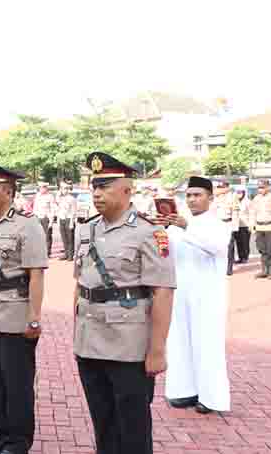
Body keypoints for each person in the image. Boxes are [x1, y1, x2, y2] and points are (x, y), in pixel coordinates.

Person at [73, 152, 175, 454]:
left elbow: (163, 293)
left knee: (132, 426)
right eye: (94, 187)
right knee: (102, 421)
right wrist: (77, 334)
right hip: (90, 341)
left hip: (129, 345)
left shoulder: (149, 232)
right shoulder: (86, 229)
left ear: (128, 190)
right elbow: (80, 285)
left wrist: (157, 351)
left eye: (105, 186)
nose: (97, 193)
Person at [0, 160, 47, 454]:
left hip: (15, 314)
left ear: (7, 191)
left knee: (16, 383)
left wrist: (34, 317)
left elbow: (36, 274)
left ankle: (17, 443)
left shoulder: (27, 225)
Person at [155, 176, 231, 415]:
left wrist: (186, 226)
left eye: (197, 195)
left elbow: (215, 246)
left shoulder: (218, 225)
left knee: (207, 345)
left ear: (210, 197)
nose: (192, 199)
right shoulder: (177, 226)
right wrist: (160, 229)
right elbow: (165, 253)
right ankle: (184, 391)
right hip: (180, 292)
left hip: (207, 294)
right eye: (188, 195)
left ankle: (211, 398)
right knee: (179, 341)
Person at [249, 179, 271, 279]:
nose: (260, 189)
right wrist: (252, 225)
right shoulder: (256, 199)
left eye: (262, 187)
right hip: (259, 227)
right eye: (259, 187)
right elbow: (252, 213)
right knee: (262, 250)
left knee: (270, 250)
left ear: (268, 187)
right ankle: (264, 271)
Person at [212, 181, 239, 275]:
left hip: (228, 223)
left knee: (229, 247)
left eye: (223, 187)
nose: (221, 189)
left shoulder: (232, 197)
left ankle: (229, 268)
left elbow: (235, 212)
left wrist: (235, 226)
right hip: (217, 225)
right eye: (220, 187)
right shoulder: (215, 197)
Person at [56, 182, 78, 261]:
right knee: (64, 238)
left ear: (68, 189)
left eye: (65, 189)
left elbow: (74, 211)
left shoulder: (72, 199)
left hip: (69, 219)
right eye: (62, 189)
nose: (63, 190)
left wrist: (72, 222)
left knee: (70, 238)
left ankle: (70, 255)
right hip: (62, 219)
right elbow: (58, 206)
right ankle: (66, 253)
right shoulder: (60, 198)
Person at [33, 183, 55, 257]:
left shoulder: (50, 196)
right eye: (40, 187)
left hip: (46, 218)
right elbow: (35, 207)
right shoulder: (37, 196)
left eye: (43, 187)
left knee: (47, 236)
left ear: (46, 188)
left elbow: (52, 209)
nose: (41, 189)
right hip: (38, 217)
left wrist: (51, 221)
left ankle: (47, 252)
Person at [233, 188, 250, 263]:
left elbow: (252, 213)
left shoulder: (248, 202)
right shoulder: (234, 202)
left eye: (240, 193)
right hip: (236, 225)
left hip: (245, 225)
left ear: (244, 193)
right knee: (238, 242)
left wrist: (251, 225)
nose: (239, 195)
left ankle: (245, 257)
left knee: (245, 242)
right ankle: (240, 257)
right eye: (238, 193)